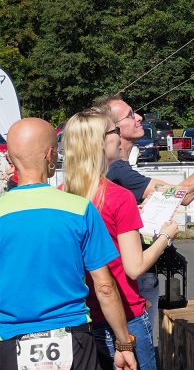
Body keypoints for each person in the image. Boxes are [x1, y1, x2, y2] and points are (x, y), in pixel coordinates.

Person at [94, 95, 194, 344]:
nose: (139, 117)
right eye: (131, 115)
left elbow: (180, 195)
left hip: (121, 275)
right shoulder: (118, 170)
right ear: (114, 130)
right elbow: (181, 196)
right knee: (140, 343)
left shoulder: (114, 169)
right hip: (135, 276)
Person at [0, 118, 136, 370]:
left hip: (9, 339)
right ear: (51, 154)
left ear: (10, 158)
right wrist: (123, 343)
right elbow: (105, 286)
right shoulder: (79, 208)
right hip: (74, 337)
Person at [62, 107, 178, 369]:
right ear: (101, 142)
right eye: (114, 131)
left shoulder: (62, 197)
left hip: (80, 318)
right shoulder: (118, 197)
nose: (119, 137)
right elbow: (134, 267)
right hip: (125, 317)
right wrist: (165, 237)